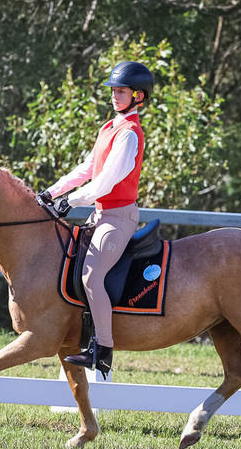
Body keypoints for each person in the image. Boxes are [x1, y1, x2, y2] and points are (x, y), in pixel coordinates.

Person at [36, 61, 153, 375]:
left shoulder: (129, 134)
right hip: (100, 215)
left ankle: (102, 350)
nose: (115, 95)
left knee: (91, 275)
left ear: (138, 96)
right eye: (114, 90)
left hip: (118, 219)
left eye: (122, 91)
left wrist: (69, 202)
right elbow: (88, 169)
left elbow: (105, 183)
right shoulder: (109, 128)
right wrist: (52, 192)